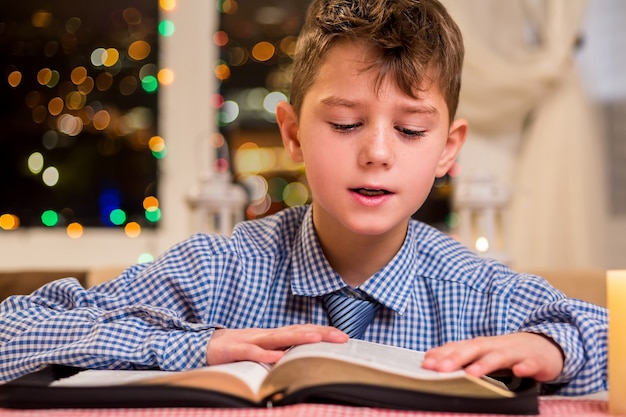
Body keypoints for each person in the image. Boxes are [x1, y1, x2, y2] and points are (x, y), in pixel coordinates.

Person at [0, 0, 607, 396]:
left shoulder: (479, 292)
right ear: (292, 133)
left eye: (411, 130)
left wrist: (553, 347)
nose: (377, 153)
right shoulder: (218, 271)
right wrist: (195, 345)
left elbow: (606, 337)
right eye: (345, 124)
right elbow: (12, 331)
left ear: (448, 148)